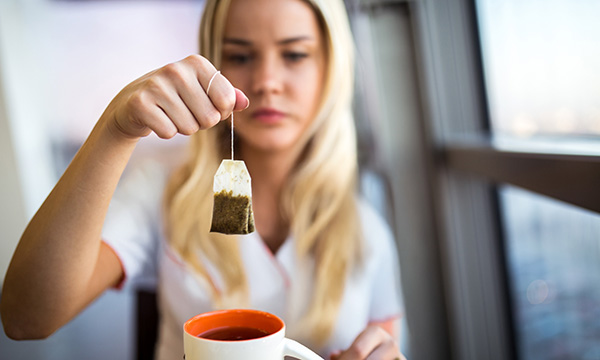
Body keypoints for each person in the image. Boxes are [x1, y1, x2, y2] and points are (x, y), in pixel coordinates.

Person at [1, 0, 406, 359]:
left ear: (330, 68)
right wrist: (114, 131)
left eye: (295, 54)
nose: (266, 81)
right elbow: (25, 318)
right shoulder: (162, 189)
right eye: (241, 56)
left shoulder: (368, 234)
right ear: (215, 63)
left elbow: (382, 344)